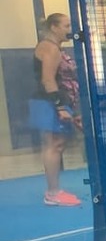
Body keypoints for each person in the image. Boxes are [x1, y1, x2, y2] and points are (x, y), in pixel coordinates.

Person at [31, 12, 80, 207]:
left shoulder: (56, 48)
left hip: (58, 101)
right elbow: (48, 79)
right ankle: (52, 193)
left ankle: (54, 190)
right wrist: (60, 107)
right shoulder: (50, 48)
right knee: (54, 144)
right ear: (54, 27)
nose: (69, 30)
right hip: (49, 102)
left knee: (57, 144)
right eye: (66, 26)